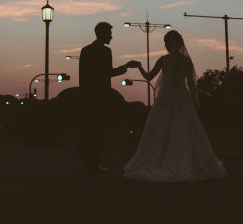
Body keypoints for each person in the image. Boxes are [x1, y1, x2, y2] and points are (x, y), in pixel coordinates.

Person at [123, 30, 226, 182]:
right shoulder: (186, 61)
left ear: (168, 43)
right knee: (184, 128)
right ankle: (185, 159)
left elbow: (149, 77)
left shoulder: (164, 60)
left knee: (161, 128)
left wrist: (138, 66)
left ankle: (163, 158)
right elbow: (192, 84)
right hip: (182, 96)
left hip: (166, 97)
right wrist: (195, 101)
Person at [77, 22, 141, 174]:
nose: (111, 36)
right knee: (98, 130)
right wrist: (126, 66)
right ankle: (94, 163)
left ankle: (86, 162)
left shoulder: (85, 50)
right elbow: (108, 73)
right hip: (100, 96)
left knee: (87, 129)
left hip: (87, 96)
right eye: (109, 33)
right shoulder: (106, 51)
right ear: (101, 34)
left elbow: (83, 75)